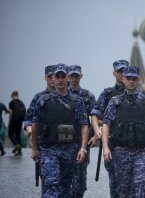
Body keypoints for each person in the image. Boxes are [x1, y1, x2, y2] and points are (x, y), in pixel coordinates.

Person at [102, 65, 145, 197]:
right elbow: (106, 124)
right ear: (123, 79)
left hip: (141, 151)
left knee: (141, 184)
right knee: (124, 190)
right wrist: (105, 147)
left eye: (134, 79)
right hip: (121, 152)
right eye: (129, 78)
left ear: (138, 80)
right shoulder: (115, 102)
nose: (131, 81)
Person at [31, 63, 89, 197]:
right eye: (58, 76)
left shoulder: (77, 102)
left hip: (70, 151)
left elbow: (84, 125)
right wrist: (34, 148)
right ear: (53, 79)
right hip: (49, 150)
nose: (61, 79)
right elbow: (35, 125)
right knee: (51, 185)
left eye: (63, 76)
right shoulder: (43, 101)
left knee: (66, 188)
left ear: (67, 78)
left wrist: (82, 149)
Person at [89, 59, 129, 198]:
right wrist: (97, 130)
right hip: (112, 144)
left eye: (125, 71)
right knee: (116, 184)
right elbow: (95, 114)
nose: (122, 74)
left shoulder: (138, 95)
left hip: (133, 145)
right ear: (114, 73)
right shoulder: (107, 94)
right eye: (119, 71)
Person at [68, 65, 96, 198]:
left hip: (82, 141)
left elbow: (95, 117)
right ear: (68, 77)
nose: (74, 79)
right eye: (72, 76)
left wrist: (96, 134)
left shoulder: (87, 95)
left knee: (80, 177)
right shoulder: (59, 94)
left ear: (81, 77)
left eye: (76, 76)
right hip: (63, 141)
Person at [24, 65, 55, 138]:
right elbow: (28, 119)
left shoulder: (67, 97)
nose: (52, 79)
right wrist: (31, 134)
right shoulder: (39, 97)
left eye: (55, 77)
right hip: (43, 141)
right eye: (50, 77)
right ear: (45, 78)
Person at [8, 90, 26, 156]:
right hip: (20, 120)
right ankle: (19, 151)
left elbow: (10, 112)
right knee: (18, 135)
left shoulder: (11, 102)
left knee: (10, 134)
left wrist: (9, 121)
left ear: (12, 96)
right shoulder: (21, 102)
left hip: (13, 120)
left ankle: (17, 144)